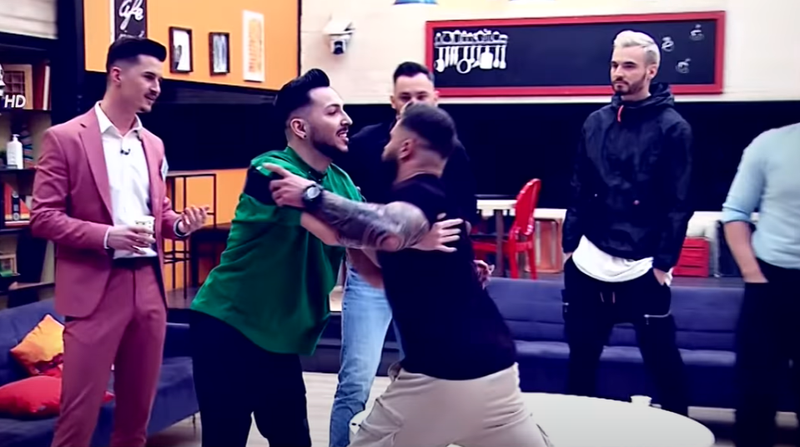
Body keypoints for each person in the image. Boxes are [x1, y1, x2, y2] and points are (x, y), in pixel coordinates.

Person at [187, 69, 460, 447]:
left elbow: (369, 260)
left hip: (279, 339)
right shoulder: (269, 171)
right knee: (225, 439)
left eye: (343, 110)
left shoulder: (340, 182)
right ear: (300, 126)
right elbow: (334, 231)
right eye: (333, 112)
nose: (347, 120)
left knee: (293, 438)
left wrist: (440, 278)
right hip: (228, 326)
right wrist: (412, 237)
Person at [265, 102, 551, 447]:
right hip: (497, 372)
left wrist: (311, 195)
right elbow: (376, 267)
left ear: (406, 147)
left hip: (442, 378)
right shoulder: (439, 201)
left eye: (392, 136)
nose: (385, 142)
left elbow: (389, 227)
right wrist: (311, 219)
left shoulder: (418, 195)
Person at [30, 37, 208, 447]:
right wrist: (108, 236)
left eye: (159, 79)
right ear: (116, 75)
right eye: (149, 77)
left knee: (136, 421)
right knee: (77, 419)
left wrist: (181, 226)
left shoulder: (154, 144)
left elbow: (160, 213)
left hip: (148, 287)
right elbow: (43, 218)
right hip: (95, 289)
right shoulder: (65, 138)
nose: (157, 87)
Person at [328, 61, 478, 447]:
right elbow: (346, 213)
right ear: (392, 101)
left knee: (427, 380)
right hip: (371, 279)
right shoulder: (365, 145)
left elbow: (463, 217)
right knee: (355, 381)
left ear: (436, 99)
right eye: (405, 97)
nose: (413, 104)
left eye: (421, 96)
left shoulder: (452, 151)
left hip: (426, 284)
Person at [561, 30, 692, 415]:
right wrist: (569, 248)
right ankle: (575, 430)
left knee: (663, 361)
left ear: (651, 71)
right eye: (615, 64)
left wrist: (663, 264)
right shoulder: (595, 123)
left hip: (644, 265)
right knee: (581, 360)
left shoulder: (673, 128)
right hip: (588, 260)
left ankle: (682, 434)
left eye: (629, 65)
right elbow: (579, 187)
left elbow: (679, 201)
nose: (618, 72)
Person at [722, 122, 800, 447]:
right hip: (770, 283)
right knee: (755, 393)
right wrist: (752, 274)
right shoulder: (769, 144)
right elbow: (735, 213)